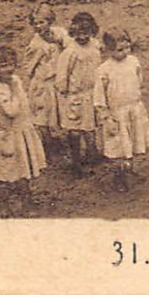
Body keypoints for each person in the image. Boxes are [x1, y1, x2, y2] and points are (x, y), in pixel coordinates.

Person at [94, 29, 149, 191]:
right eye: (120, 50)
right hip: (116, 114)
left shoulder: (133, 62)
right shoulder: (103, 70)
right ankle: (118, 176)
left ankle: (129, 168)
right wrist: (106, 118)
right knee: (118, 146)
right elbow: (99, 98)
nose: (125, 52)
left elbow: (139, 80)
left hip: (133, 109)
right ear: (109, 50)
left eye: (127, 48)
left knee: (132, 141)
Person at [0, 45, 46, 201]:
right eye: (3, 66)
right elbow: (11, 111)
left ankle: (25, 191)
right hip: (9, 132)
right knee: (9, 163)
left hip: (22, 128)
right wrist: (13, 90)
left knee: (24, 161)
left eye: (11, 65)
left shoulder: (15, 80)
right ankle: (4, 192)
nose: (8, 69)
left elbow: (23, 100)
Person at [54, 11, 101, 176]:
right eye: (79, 32)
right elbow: (61, 76)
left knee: (90, 126)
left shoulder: (95, 46)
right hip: (74, 95)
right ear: (73, 32)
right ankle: (76, 162)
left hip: (91, 92)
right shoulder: (69, 52)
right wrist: (65, 92)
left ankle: (92, 154)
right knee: (74, 129)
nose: (83, 36)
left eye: (86, 32)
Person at [21, 5, 69, 143]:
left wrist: (58, 42)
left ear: (50, 21)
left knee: (56, 112)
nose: (38, 26)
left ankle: (56, 138)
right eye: (35, 23)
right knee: (43, 114)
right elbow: (28, 64)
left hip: (57, 80)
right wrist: (34, 79)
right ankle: (47, 142)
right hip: (43, 83)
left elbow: (68, 43)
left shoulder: (58, 32)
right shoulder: (36, 44)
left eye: (41, 22)